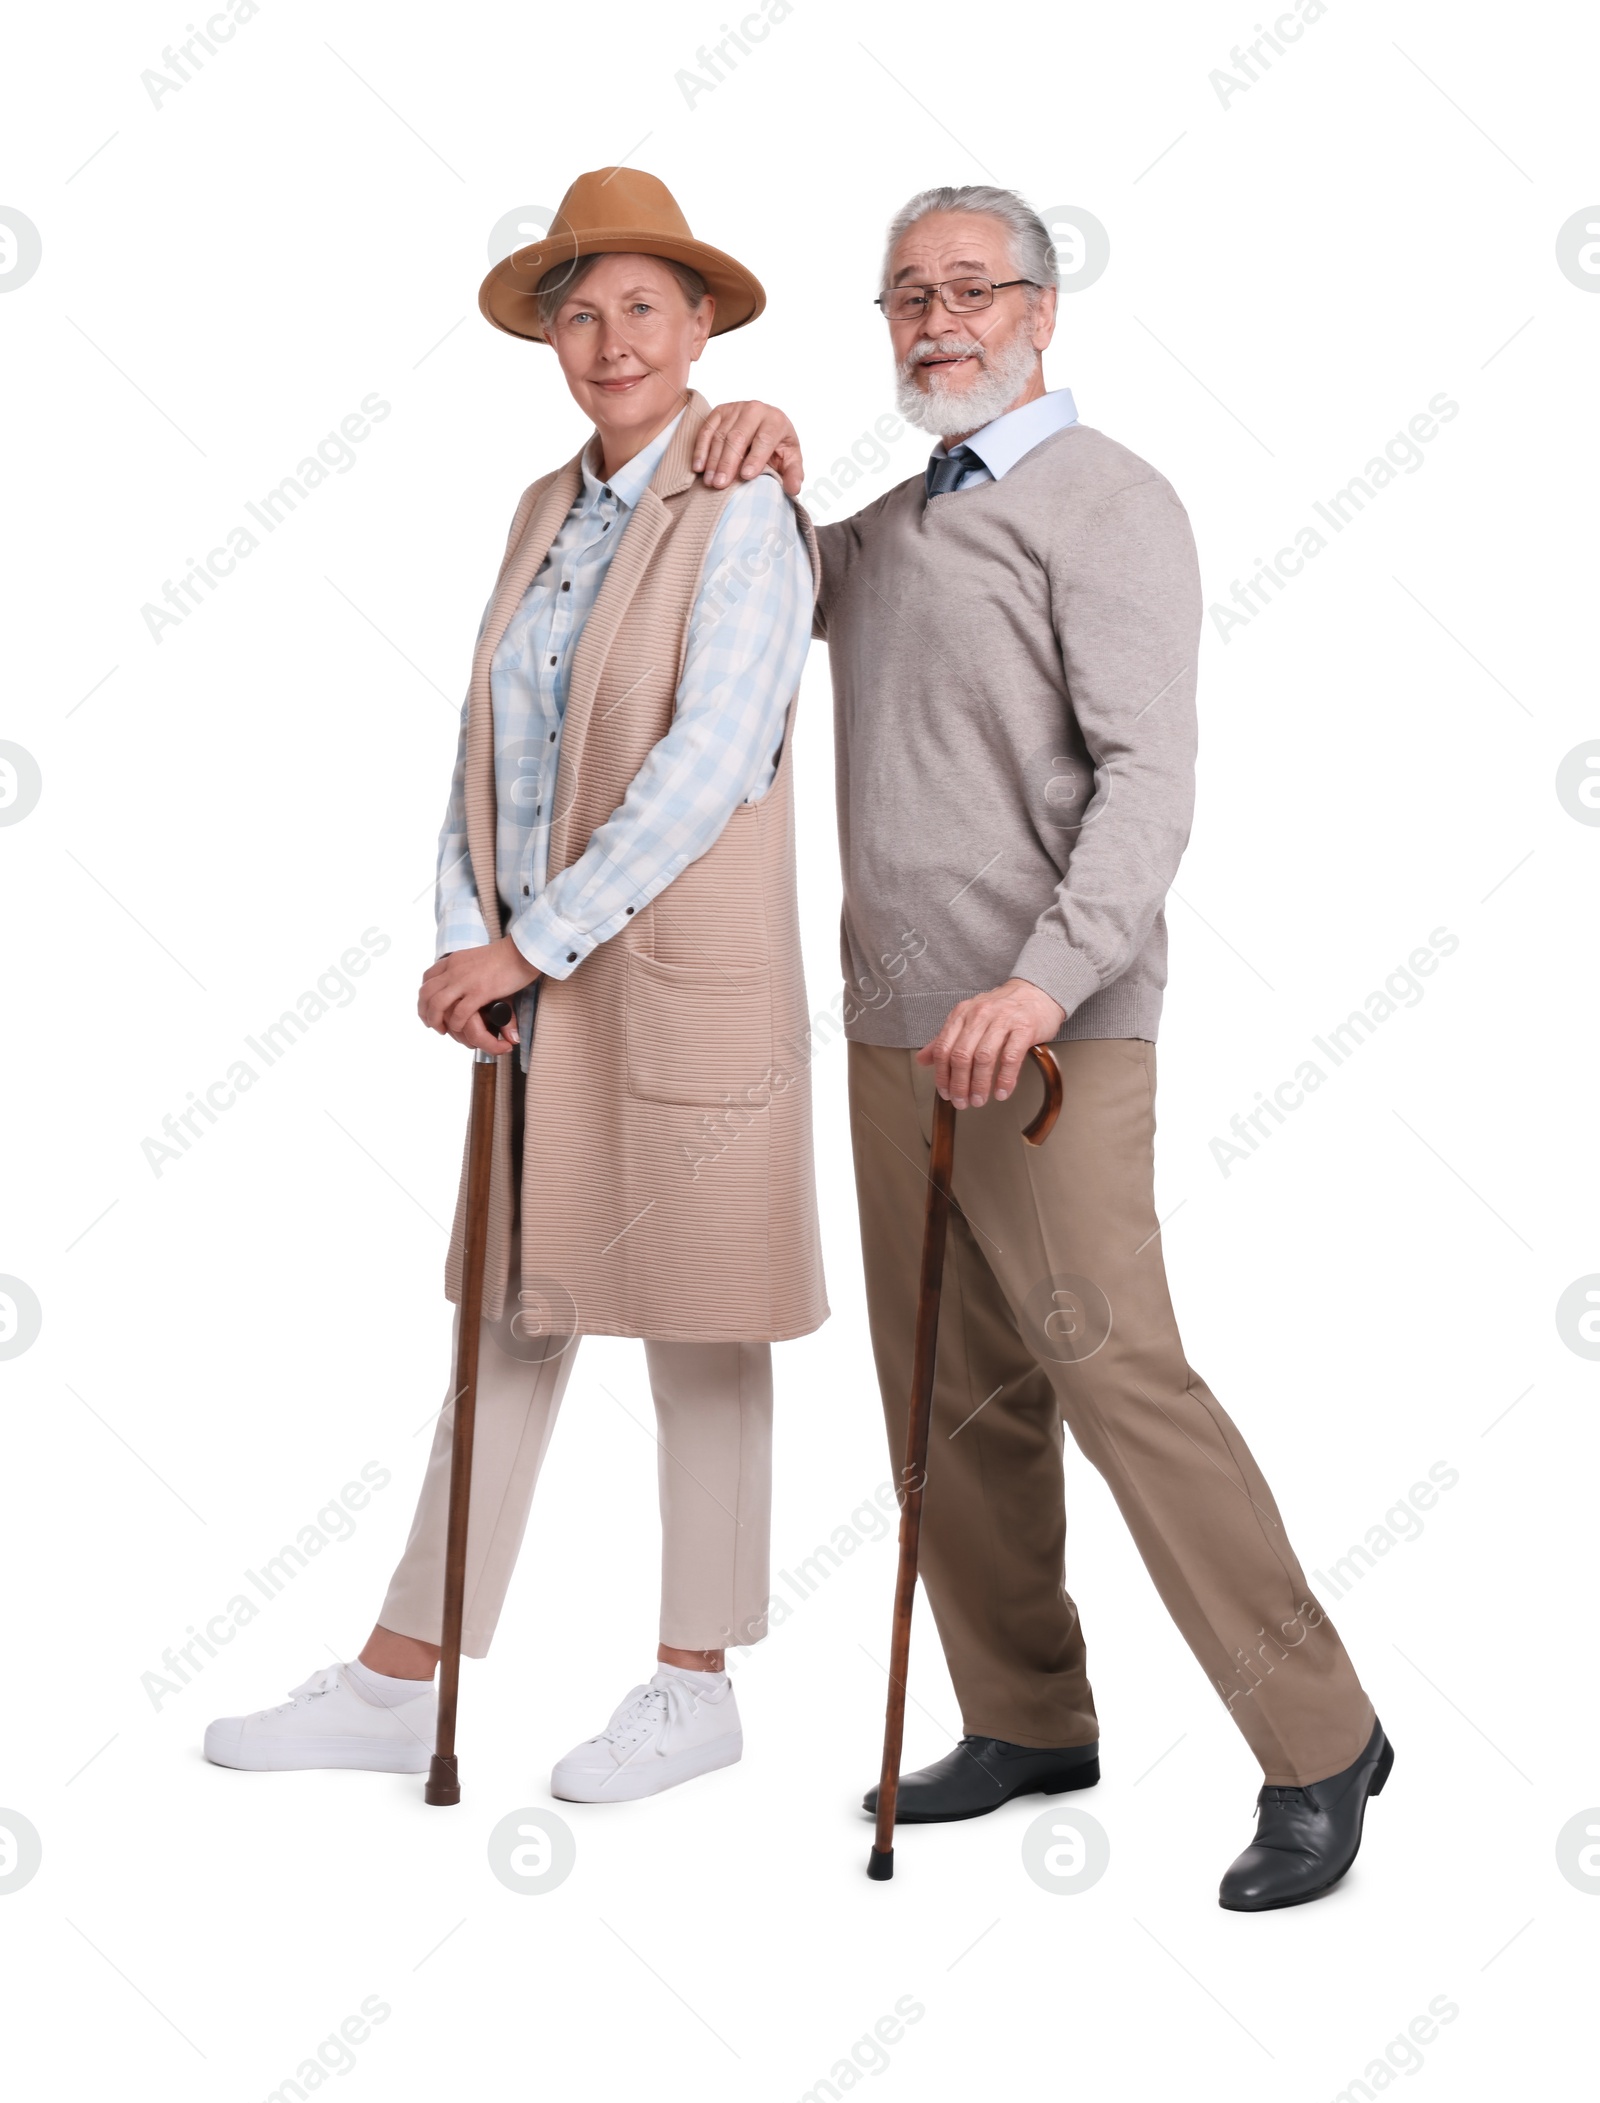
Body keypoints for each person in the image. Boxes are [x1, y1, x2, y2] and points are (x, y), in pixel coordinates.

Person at [696, 184, 1391, 1909]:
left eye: (973, 289)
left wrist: (1044, 979)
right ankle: (1024, 1714)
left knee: (1120, 1381)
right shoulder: (900, 521)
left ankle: (1322, 1741)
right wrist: (762, 442)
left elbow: (1153, 780)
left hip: (1055, 1034)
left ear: (1042, 312)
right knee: (952, 1388)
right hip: (889, 1033)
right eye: (907, 296)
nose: (938, 318)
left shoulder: (1109, 501)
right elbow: (778, 579)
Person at [204, 168, 827, 1802]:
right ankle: (403, 1675)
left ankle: (698, 1686)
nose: (610, 338)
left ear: (704, 328)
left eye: (645, 306)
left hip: (676, 972)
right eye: (579, 311)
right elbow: (490, 743)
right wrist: (457, 929)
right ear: (550, 340)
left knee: (702, 1321)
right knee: (510, 1315)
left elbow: (715, 761)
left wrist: (530, 940)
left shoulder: (745, 500)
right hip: (538, 973)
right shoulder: (540, 507)